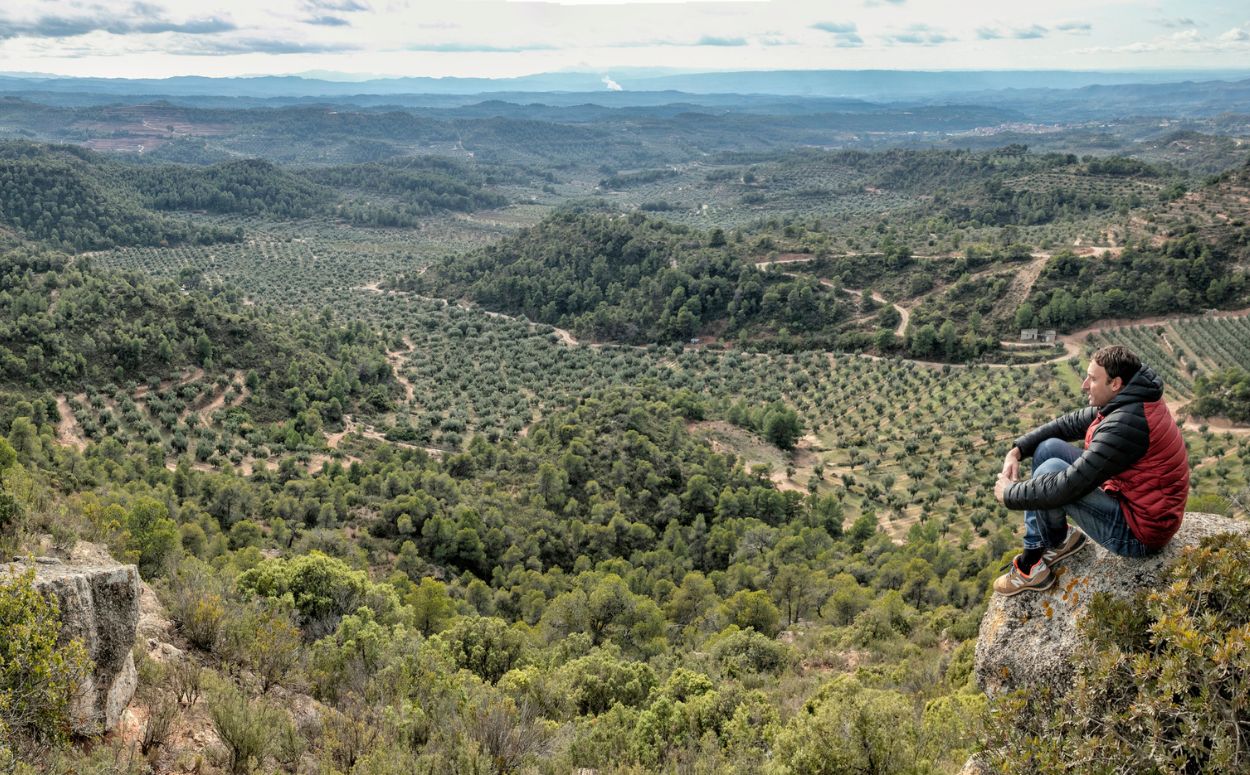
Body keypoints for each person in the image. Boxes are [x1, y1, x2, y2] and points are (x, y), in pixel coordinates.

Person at [991, 345, 1189, 596]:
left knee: (1049, 470)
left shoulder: (1126, 424)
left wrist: (1011, 494)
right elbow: (1067, 425)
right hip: (1132, 501)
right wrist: (1017, 450)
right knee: (1047, 448)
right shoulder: (1130, 399)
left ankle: (1031, 565)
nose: (1084, 384)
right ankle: (1059, 540)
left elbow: (1069, 484)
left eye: (1093, 379)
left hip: (1139, 534)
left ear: (1115, 383)